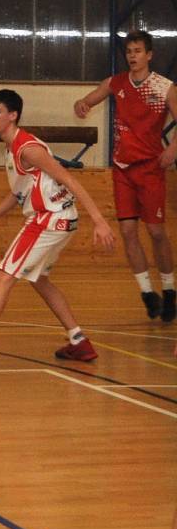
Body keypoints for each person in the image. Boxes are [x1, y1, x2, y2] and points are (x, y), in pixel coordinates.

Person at [0, 89, 116, 371]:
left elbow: (70, 179)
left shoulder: (28, 148)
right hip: (62, 220)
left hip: (47, 219)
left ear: (13, 115)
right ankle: (79, 341)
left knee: (3, 276)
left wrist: (100, 221)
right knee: (38, 279)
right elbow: (18, 193)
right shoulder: (12, 148)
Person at [74, 30, 177, 322]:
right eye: (129, 51)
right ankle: (147, 293)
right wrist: (81, 104)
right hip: (122, 169)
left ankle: (169, 290)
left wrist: (173, 150)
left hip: (150, 168)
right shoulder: (116, 82)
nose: (132, 56)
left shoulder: (164, 87)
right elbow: (88, 99)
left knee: (156, 232)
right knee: (128, 232)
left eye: (138, 51)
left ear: (149, 55)